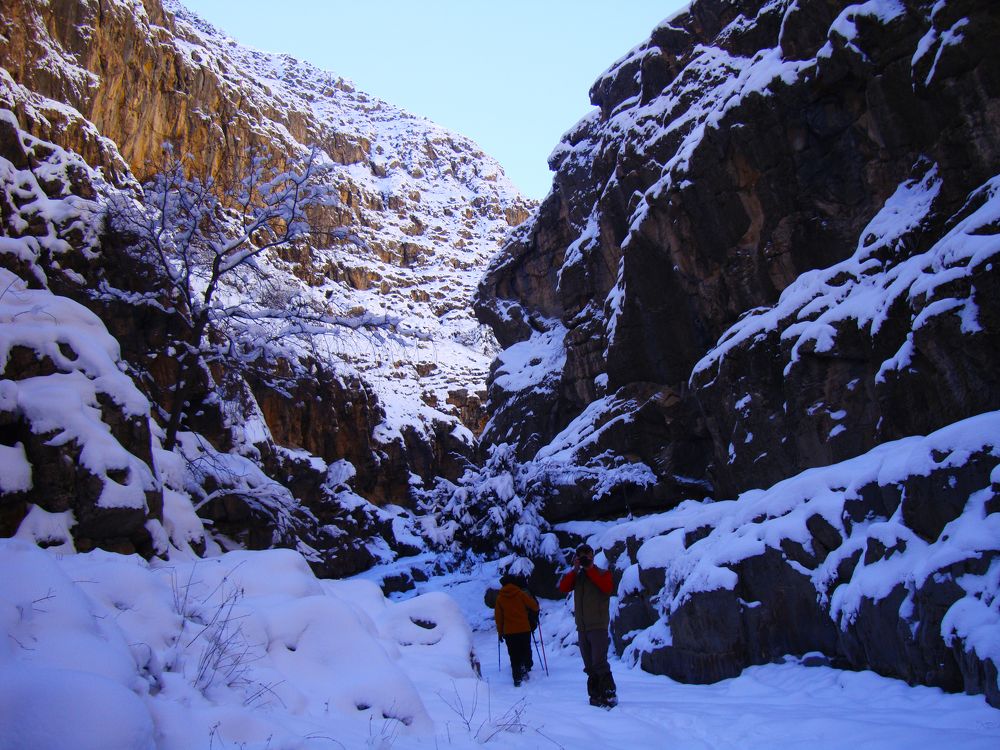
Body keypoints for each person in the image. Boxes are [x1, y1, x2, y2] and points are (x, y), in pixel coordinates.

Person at [558, 543, 618, 707]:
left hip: (598, 625)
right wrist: (575, 570)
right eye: (581, 555)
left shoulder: (602, 573)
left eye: (588, 555)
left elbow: (607, 588)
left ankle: (609, 694)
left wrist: (590, 569)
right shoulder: (577, 576)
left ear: (593, 556)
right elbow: (563, 587)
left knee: (599, 662)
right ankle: (596, 694)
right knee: (589, 665)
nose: (585, 558)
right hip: (582, 627)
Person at [494, 574, 539, 686]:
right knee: (525, 649)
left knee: (513, 654)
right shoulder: (520, 594)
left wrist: (500, 632)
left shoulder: (500, 598)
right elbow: (534, 606)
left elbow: (499, 618)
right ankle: (525, 666)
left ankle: (517, 677)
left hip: (509, 631)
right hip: (524, 628)